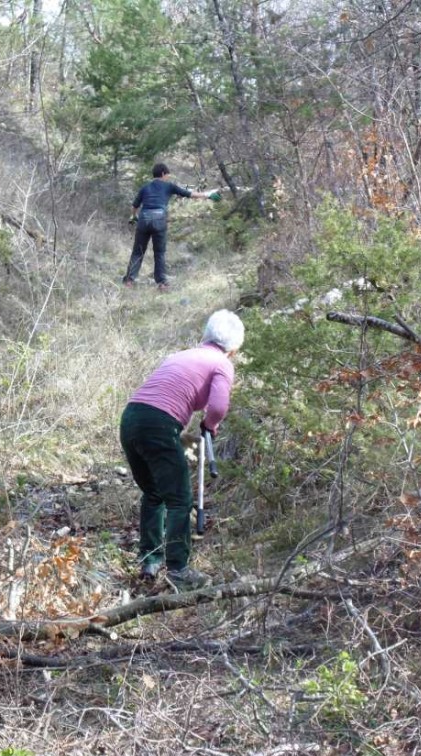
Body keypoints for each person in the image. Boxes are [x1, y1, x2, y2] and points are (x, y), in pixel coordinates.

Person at [119, 310, 244, 589]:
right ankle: (178, 570)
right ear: (234, 348)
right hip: (159, 424)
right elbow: (219, 406)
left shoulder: (178, 356)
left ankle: (150, 560)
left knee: (153, 492)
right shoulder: (221, 364)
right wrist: (210, 425)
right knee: (179, 500)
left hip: (130, 418)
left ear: (205, 335)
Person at [123, 162, 217, 291]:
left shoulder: (145, 188)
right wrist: (208, 195)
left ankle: (129, 281)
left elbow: (134, 207)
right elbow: (190, 194)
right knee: (159, 253)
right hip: (159, 219)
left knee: (138, 252)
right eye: (167, 175)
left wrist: (134, 217)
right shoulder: (169, 186)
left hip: (143, 219)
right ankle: (162, 283)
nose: (168, 177)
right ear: (162, 174)